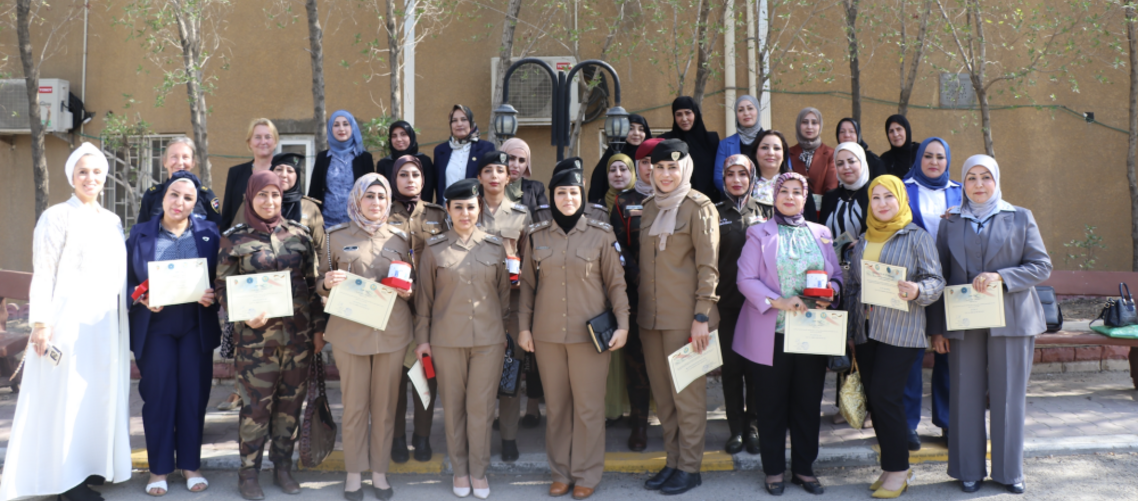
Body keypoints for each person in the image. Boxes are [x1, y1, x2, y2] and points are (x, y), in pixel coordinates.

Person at [1, 143, 132, 501]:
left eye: (96, 172)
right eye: (82, 172)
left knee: (96, 398)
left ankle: (88, 466)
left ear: (105, 177)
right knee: (67, 399)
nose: (90, 178)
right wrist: (41, 322)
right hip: (68, 325)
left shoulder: (111, 221)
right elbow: (42, 274)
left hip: (104, 329)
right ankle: (65, 482)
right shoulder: (56, 216)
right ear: (72, 177)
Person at [928, 155, 1052, 495]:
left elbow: (1041, 266)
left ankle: (1009, 472)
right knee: (965, 395)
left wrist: (1001, 277)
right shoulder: (950, 222)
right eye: (971, 178)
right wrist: (937, 329)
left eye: (986, 177)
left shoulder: (1020, 217)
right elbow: (939, 275)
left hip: (1012, 320)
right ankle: (968, 469)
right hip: (964, 323)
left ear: (996, 180)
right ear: (962, 184)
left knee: (1008, 398)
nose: (979, 184)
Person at [516, 167, 631, 500]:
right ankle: (561, 472)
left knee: (589, 409)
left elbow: (617, 284)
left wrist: (622, 325)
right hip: (548, 335)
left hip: (590, 338)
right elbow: (526, 287)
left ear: (582, 196)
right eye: (561, 193)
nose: (568, 199)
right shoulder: (537, 235)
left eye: (574, 193)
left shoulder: (600, 234)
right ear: (552, 196)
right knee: (558, 408)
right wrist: (524, 327)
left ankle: (586, 473)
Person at [216, 170, 325, 500]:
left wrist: (319, 329)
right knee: (255, 410)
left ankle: (282, 467)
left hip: (299, 341)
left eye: (275, 195)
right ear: (250, 198)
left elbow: (313, 285)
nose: (269, 201)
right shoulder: (233, 239)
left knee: (290, 407)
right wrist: (244, 315)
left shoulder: (300, 235)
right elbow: (222, 289)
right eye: (262, 195)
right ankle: (248, 473)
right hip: (255, 343)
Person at [734, 172, 843, 496]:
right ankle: (773, 470)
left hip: (811, 332)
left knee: (807, 404)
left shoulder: (821, 233)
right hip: (773, 333)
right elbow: (746, 279)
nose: (791, 197)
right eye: (785, 191)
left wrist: (830, 293)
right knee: (771, 405)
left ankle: (804, 469)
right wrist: (779, 302)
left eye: (798, 192)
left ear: (805, 197)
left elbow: (836, 276)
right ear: (775, 196)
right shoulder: (758, 233)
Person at [845, 175, 945, 498]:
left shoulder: (916, 237)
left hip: (901, 331)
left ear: (901, 199)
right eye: (876, 198)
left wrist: (917, 289)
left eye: (890, 197)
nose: (883, 203)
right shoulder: (863, 239)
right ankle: (890, 467)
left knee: (887, 397)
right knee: (877, 400)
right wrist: (849, 330)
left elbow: (936, 281)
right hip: (867, 330)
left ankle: (900, 470)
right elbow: (855, 287)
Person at [318, 174, 415, 501]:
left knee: (385, 408)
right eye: (369, 196)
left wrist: (408, 291)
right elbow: (318, 281)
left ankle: (379, 472)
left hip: (391, 333)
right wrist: (327, 282)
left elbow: (413, 285)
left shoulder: (401, 239)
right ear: (357, 200)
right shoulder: (335, 236)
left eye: (382, 197)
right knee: (356, 406)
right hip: (350, 334)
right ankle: (355, 473)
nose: (376, 203)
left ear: (389, 202)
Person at [413, 178, 511, 500]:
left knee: (481, 408)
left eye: (471, 206)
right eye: (458, 207)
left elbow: (503, 296)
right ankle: (460, 469)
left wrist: (504, 333)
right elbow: (424, 301)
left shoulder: (495, 247)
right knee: (454, 408)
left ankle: (479, 471)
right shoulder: (434, 248)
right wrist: (423, 341)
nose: (465, 213)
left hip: (488, 341)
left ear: (479, 206)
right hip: (446, 341)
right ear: (449, 210)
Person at [127, 172, 222, 496]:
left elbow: (224, 278)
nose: (179, 202)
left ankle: (191, 466)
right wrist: (140, 297)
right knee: (159, 397)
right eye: (174, 195)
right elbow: (124, 282)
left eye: (188, 198)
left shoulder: (210, 233)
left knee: (193, 396)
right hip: (156, 329)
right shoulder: (139, 234)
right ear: (163, 197)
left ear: (196, 204)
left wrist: (214, 295)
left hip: (195, 325)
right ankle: (159, 470)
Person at [638, 139, 720, 496]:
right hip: (651, 320)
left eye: (673, 167)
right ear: (651, 171)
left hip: (687, 319)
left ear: (684, 168)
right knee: (665, 398)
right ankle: (673, 462)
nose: (666, 174)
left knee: (688, 398)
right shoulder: (649, 207)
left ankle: (690, 467)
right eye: (660, 168)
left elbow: (708, 266)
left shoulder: (699, 208)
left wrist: (702, 314)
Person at [386, 155, 448, 464]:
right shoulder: (383, 212)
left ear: (423, 181)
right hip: (393, 309)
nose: (410, 180)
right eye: (403, 175)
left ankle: (421, 437)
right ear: (394, 179)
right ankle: (397, 437)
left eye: (415, 175)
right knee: (395, 380)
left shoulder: (439, 214)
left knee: (425, 376)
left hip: (429, 309)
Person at [901, 137, 960, 449]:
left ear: (947, 160)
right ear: (919, 158)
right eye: (928, 156)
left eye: (940, 157)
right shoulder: (903, 187)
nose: (934, 162)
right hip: (913, 284)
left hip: (951, 284)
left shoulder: (961, 191)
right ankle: (908, 424)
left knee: (947, 354)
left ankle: (948, 422)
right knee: (911, 355)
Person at [474, 151, 532, 462]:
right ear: (480, 177)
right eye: (488, 170)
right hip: (476, 303)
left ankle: (509, 437)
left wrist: (520, 274)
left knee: (512, 369)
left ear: (509, 177)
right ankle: (479, 436)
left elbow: (530, 258)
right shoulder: (469, 210)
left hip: (511, 303)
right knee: (479, 376)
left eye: (500, 170)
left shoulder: (522, 214)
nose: (495, 175)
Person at [609, 137, 663, 451]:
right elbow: (618, 245)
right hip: (637, 293)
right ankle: (639, 423)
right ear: (638, 166)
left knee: (671, 361)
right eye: (645, 162)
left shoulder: (681, 199)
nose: (651, 168)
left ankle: (678, 424)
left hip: (673, 296)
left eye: (657, 162)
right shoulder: (623, 201)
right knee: (637, 362)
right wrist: (638, 276)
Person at [713, 154, 765, 456]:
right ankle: (735, 429)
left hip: (759, 306)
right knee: (731, 369)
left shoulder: (767, 212)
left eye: (742, 174)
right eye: (730, 174)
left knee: (755, 370)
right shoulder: (714, 212)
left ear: (751, 178)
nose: (736, 180)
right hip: (728, 305)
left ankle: (754, 427)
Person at [309, 110, 376, 227]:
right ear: (330, 129)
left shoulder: (365, 158)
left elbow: (371, 193)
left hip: (357, 225)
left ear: (352, 127)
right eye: (336, 125)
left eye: (346, 124)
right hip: (327, 225)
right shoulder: (322, 158)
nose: (341, 129)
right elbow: (314, 193)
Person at [137, 137, 222, 227]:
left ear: (193, 162)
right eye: (174, 157)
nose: (180, 162)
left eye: (185, 157)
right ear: (165, 162)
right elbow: (141, 232)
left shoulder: (205, 195)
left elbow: (217, 233)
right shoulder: (152, 195)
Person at [220, 118, 279, 231]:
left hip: (275, 242)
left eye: (268, 137)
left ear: (275, 142)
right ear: (249, 143)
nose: (263, 141)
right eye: (257, 137)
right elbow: (227, 216)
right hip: (240, 242)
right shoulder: (236, 173)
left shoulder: (283, 173)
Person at [750, 130, 819, 222]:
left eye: (776, 148)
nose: (770, 153)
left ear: (784, 153)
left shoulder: (799, 184)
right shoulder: (746, 185)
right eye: (764, 147)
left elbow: (811, 223)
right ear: (755, 152)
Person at [661, 97, 721, 202]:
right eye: (679, 114)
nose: (684, 118)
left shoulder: (711, 141)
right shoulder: (667, 142)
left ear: (696, 114)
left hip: (709, 202)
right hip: (677, 203)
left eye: (688, 113)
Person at [433, 104, 496, 200]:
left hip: (474, 209)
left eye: (464, 119)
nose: (459, 124)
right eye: (454, 120)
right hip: (446, 211)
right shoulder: (440, 151)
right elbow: (438, 185)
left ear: (471, 122)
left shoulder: (486, 148)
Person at [588, 114, 651, 202]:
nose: (636, 133)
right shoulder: (613, 153)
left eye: (641, 129)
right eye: (630, 128)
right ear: (623, 131)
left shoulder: (650, 155)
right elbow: (598, 183)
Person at [819, 142, 872, 242]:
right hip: (833, 257)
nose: (846, 167)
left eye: (851, 161)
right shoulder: (829, 197)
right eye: (840, 163)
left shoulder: (874, 193)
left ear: (862, 162)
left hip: (865, 256)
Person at [377, 120, 437, 203]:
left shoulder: (424, 161)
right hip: (392, 213)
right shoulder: (384, 164)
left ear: (411, 137)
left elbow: (428, 191)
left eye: (403, 134)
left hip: (421, 212)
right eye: (394, 136)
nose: (398, 139)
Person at [714, 95, 764, 193]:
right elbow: (718, 178)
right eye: (741, 110)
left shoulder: (772, 140)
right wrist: (739, 193)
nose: (746, 113)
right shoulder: (725, 144)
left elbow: (783, 171)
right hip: (734, 201)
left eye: (750, 108)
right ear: (736, 115)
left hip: (766, 198)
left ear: (757, 111)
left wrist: (759, 192)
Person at [788, 107, 837, 196]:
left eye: (814, 123)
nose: (809, 127)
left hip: (821, 208)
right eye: (805, 122)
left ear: (820, 126)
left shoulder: (831, 154)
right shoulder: (788, 153)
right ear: (799, 125)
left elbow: (831, 188)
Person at [501, 138, 549, 215]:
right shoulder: (487, 186)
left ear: (527, 164)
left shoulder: (536, 188)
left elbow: (544, 219)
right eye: (511, 158)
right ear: (501, 158)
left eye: (521, 160)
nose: (516, 165)